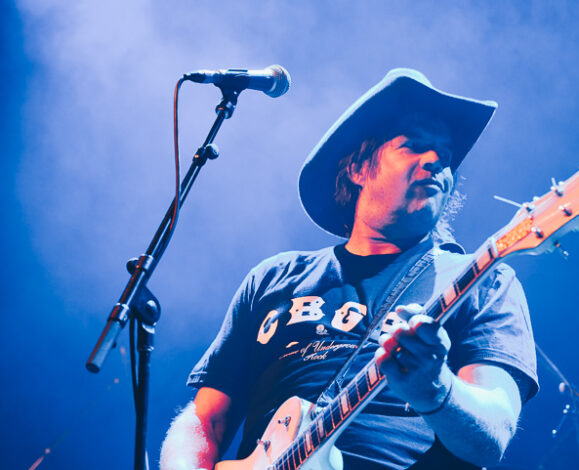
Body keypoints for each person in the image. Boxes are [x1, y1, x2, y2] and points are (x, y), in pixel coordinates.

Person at [160, 69, 538, 470]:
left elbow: (493, 434)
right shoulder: (275, 278)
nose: (435, 162)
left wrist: (435, 389)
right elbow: (206, 420)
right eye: (413, 146)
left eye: (445, 157)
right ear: (358, 168)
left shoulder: (481, 280)